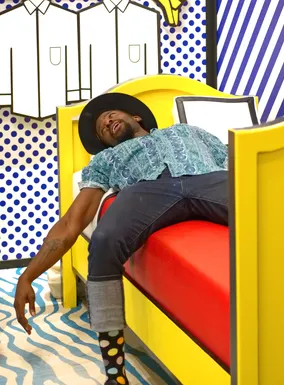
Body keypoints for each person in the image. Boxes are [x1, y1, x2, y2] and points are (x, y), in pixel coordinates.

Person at [14, 92, 229, 385]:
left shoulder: (187, 131)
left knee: (266, 204)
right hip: (146, 191)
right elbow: (71, 223)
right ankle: (115, 376)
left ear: (136, 116)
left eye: (111, 115)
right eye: (102, 129)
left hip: (208, 178)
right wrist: (27, 276)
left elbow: (234, 160)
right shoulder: (105, 159)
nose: (107, 122)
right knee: (103, 240)